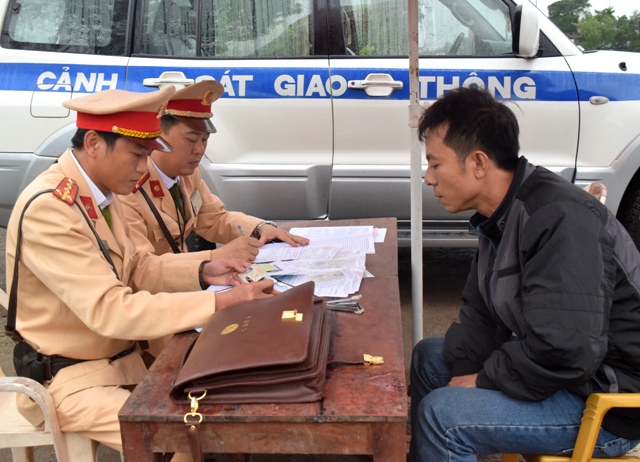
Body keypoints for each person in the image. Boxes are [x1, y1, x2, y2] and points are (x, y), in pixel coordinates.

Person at [5, 86, 276, 461]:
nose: (143, 168)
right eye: (137, 154)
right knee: (188, 433)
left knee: (228, 390)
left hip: (121, 360)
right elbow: (111, 310)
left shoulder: (99, 192)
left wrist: (205, 270)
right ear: (94, 143)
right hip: (69, 381)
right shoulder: (51, 209)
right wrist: (219, 303)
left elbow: (137, 266)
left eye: (148, 155)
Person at [409, 86, 640, 461]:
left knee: (443, 417)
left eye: (435, 164)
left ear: (479, 163)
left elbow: (567, 348)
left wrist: (484, 380)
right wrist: (464, 374)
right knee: (429, 358)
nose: (429, 178)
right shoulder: (501, 214)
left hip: (607, 402)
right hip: (565, 376)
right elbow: (480, 314)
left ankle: (445, 443)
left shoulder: (559, 218)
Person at [119, 80, 309, 263]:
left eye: (204, 140)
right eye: (191, 140)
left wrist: (260, 228)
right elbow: (142, 265)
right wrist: (215, 257)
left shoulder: (187, 174)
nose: (199, 150)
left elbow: (213, 218)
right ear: (158, 136)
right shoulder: (129, 187)